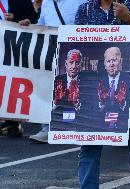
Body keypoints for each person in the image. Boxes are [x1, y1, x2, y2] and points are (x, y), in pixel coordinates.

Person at [75, 0, 130, 188]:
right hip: (94, 90)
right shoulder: (85, 9)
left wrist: (129, 18)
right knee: (90, 144)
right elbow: (78, 46)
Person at [28, 0, 86, 143]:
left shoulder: (82, 1)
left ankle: (71, 126)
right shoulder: (47, 3)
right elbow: (41, 26)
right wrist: (28, 26)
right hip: (50, 53)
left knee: (72, 90)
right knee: (48, 89)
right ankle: (47, 129)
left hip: (74, 52)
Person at [0, 0, 40, 137]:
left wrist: (16, 20)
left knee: (10, 80)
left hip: (11, 49)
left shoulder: (19, 1)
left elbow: (34, 20)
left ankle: (12, 122)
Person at [97, 47, 130, 133]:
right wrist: (101, 103)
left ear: (121, 61)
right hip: (101, 126)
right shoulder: (98, 82)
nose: (111, 64)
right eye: (108, 61)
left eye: (114, 60)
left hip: (124, 127)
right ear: (105, 64)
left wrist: (123, 104)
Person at [49, 49, 83, 132]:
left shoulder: (87, 82)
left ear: (81, 65)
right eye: (71, 62)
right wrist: (55, 103)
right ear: (66, 64)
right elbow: (44, 106)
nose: (74, 66)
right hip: (57, 125)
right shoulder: (55, 80)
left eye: (77, 63)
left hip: (79, 127)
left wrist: (78, 107)